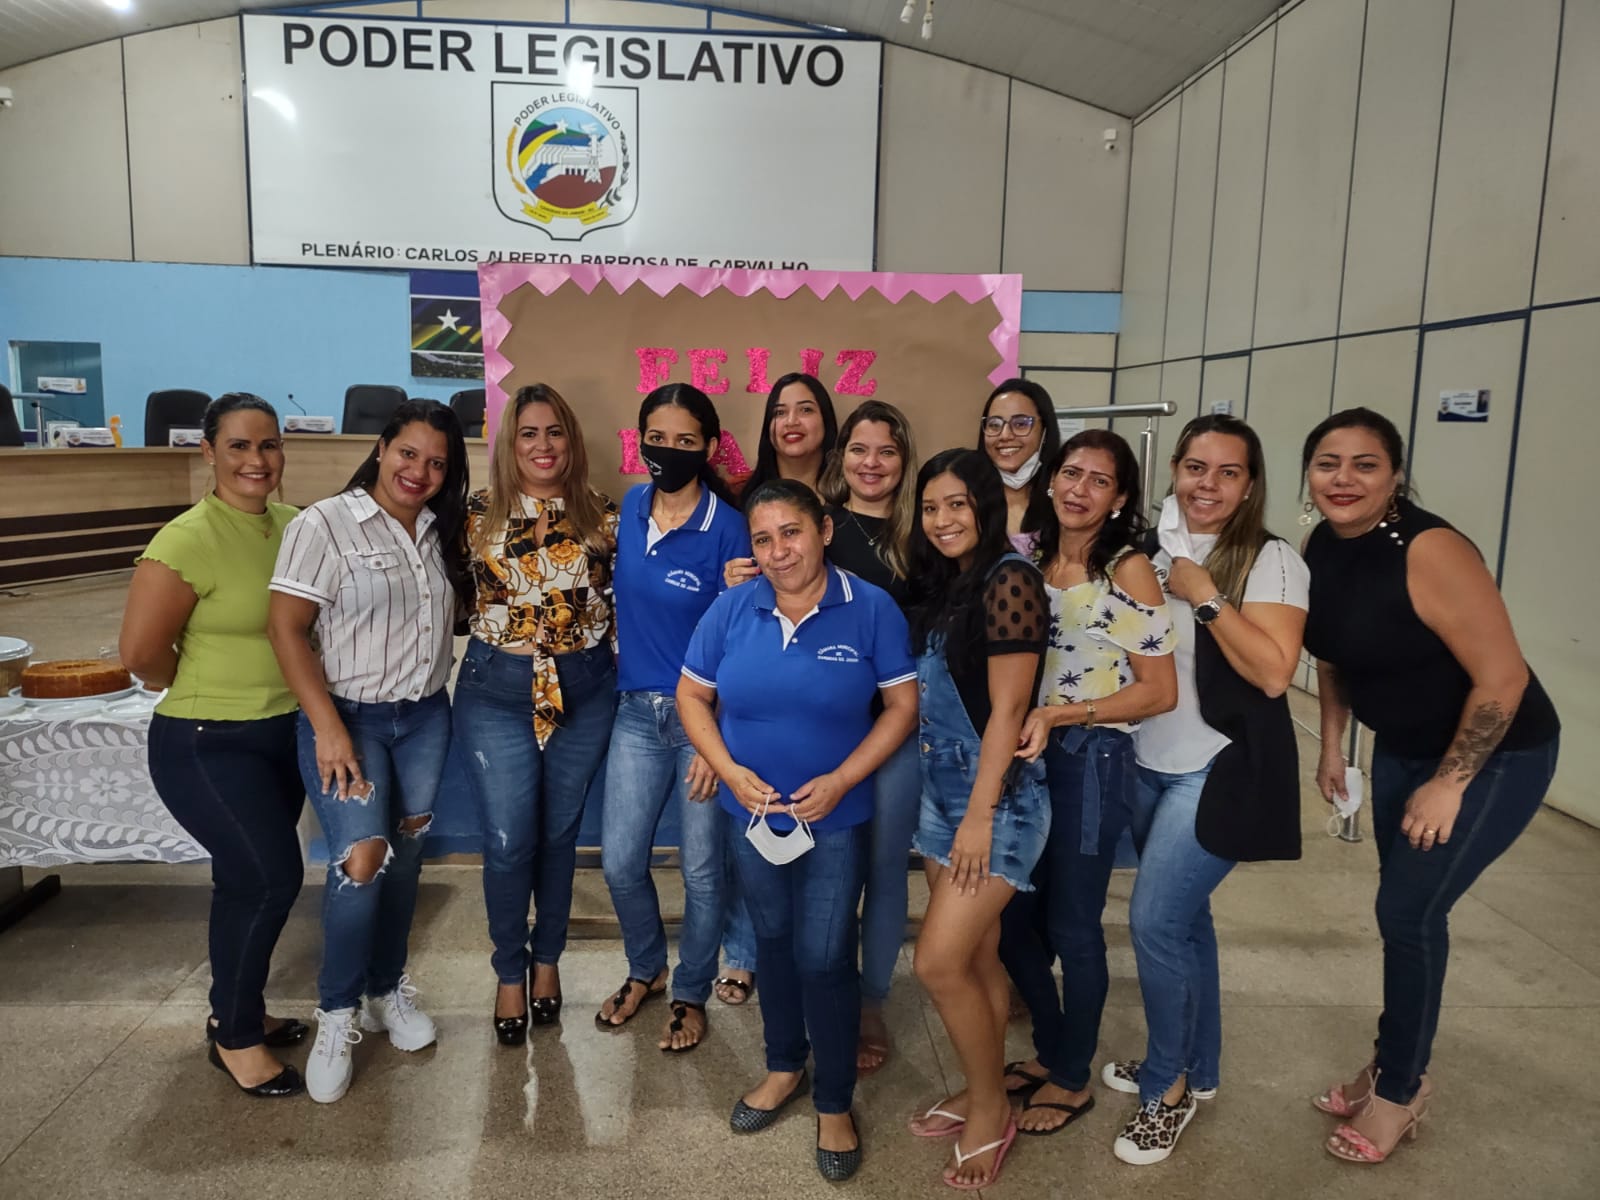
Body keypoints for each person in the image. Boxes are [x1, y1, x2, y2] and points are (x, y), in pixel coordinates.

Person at [1301, 408, 1560, 1165]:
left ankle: (1403, 1088)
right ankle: (1391, 1062)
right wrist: (1332, 745)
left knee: (1409, 910)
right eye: (1328, 463)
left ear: (1396, 475)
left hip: (1497, 754)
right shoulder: (1323, 543)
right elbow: (1332, 654)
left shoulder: (1431, 549)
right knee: (1405, 914)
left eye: (1365, 464)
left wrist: (1450, 784)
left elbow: (1502, 676)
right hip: (1401, 749)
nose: (1343, 479)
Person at [677, 479, 918, 1182]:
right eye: (763, 538)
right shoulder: (732, 609)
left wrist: (843, 779)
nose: (779, 551)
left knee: (823, 954)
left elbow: (902, 707)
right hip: (751, 817)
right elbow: (693, 694)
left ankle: (835, 1101)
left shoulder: (869, 609)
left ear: (824, 531)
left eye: (792, 532)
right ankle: (784, 1066)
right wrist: (724, 767)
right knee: (773, 943)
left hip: (835, 819)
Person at [1104, 414, 1307, 1165]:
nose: (1208, 485)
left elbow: (1274, 672)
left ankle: (1167, 1088)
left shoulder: (1270, 560)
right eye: (1195, 468)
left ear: (1250, 484)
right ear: (1176, 472)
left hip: (1217, 767)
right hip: (1150, 760)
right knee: (1187, 925)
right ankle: (1202, 1066)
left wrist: (1206, 595)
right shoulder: (1156, 552)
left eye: (1227, 472)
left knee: (1155, 924)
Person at [266, 399, 472, 1102]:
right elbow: (287, 628)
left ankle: (387, 990)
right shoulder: (324, 523)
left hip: (423, 718)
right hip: (346, 717)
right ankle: (336, 1011)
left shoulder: (439, 532)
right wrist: (326, 727)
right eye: (409, 453)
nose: (420, 471)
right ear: (381, 449)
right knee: (361, 860)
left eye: (437, 462)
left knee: (407, 855)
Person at [118, 393, 306, 1098]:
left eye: (269, 445)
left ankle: (239, 1008)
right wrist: (205, 686)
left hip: (282, 734)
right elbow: (141, 652)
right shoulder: (187, 538)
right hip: (205, 742)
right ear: (208, 452)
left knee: (242, 883)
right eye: (239, 446)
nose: (257, 461)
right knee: (270, 877)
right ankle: (235, 1039)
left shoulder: (294, 526)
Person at [997, 431, 1177, 1135]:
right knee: (1015, 926)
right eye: (1071, 473)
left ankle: (1071, 1076)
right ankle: (1053, 1050)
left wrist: (1060, 712)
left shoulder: (1128, 570)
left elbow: (1157, 691)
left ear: (1121, 497)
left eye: (1099, 481)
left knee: (1073, 926)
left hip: (1090, 758)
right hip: (1026, 757)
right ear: (1051, 479)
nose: (1079, 489)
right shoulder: (1027, 556)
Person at [454, 383, 619, 1045]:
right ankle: (508, 972)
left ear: (571, 442)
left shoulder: (605, 515)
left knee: (559, 838)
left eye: (555, 432)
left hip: (585, 687)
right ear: (509, 443)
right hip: (497, 688)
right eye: (529, 433)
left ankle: (547, 962)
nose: (543, 445)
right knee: (507, 840)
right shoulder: (475, 514)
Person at [905, 448, 1050, 1190]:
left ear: (986, 506)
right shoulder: (949, 584)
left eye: (957, 504)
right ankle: (981, 1086)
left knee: (936, 962)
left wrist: (980, 817)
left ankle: (992, 1112)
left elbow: (1008, 713)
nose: (943, 519)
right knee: (978, 959)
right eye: (931, 507)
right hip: (940, 794)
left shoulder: (1010, 580)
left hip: (998, 802)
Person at [597, 383, 751, 1051]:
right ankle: (645, 969)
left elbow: (742, 640)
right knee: (621, 862)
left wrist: (719, 744)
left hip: (701, 720)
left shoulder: (730, 527)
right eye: (657, 438)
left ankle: (690, 990)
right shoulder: (630, 506)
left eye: (686, 441)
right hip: (635, 714)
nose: (670, 451)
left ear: (710, 447)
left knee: (701, 869)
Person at [718, 372, 840, 1005]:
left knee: (831, 876)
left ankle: (835, 984)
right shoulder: (747, 499)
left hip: (845, 696)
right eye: (780, 411)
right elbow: (718, 644)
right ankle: (747, 953)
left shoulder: (857, 490)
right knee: (753, 834)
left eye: (807, 409)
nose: (792, 421)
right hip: (759, 688)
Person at [817, 400, 921, 1074]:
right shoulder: (820, 527)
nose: (872, 463)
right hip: (822, 726)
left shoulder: (926, 534)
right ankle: (822, 983)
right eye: (860, 449)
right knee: (828, 870)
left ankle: (872, 999)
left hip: (896, 728)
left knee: (884, 871)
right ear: (841, 457)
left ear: (903, 461)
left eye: (886, 450)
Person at [976, 378, 1061, 549]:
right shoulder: (968, 498)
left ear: (1044, 430)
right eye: (994, 425)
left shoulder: (1064, 499)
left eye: (1021, 424)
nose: (1005, 435)